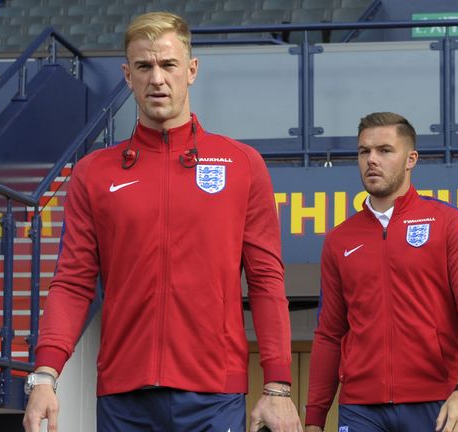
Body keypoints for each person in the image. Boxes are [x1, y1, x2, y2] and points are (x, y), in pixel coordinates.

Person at [22, 12, 302, 432]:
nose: (157, 79)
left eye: (168, 65)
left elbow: (266, 281)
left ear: (191, 71)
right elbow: (73, 281)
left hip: (214, 396)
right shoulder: (94, 173)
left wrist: (278, 385)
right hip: (123, 398)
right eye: (144, 66)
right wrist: (45, 375)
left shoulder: (242, 165)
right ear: (127, 75)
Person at [305, 112, 458, 432]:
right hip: (360, 407)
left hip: (435, 401)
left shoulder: (447, 222)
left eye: (384, 150)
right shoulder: (339, 239)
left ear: (411, 159)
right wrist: (314, 420)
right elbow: (329, 334)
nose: (371, 160)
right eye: (364, 151)